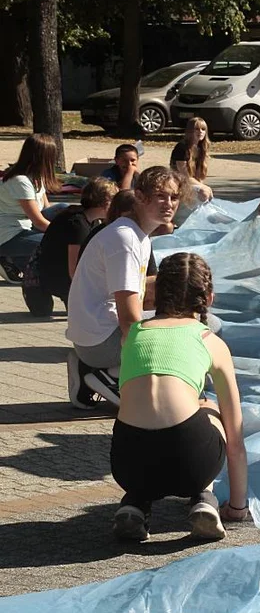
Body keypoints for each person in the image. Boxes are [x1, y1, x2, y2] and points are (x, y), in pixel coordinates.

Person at [110, 252, 249, 542]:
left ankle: (135, 504)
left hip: (128, 463)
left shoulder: (132, 335)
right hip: (190, 464)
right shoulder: (210, 342)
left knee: (140, 415)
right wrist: (237, 506)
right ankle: (204, 499)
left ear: (155, 294)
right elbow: (235, 439)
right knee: (207, 405)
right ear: (208, 298)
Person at [66, 167, 181, 408]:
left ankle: (98, 368)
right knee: (201, 327)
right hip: (100, 342)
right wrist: (143, 377)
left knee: (186, 306)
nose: (168, 203)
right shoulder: (125, 238)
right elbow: (129, 319)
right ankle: (110, 376)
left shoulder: (138, 235)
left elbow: (144, 292)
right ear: (139, 196)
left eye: (174, 197)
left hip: (94, 336)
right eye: (160, 195)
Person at [36, 177, 117, 304]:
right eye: (114, 203)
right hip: (54, 276)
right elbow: (73, 267)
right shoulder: (77, 224)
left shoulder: (91, 220)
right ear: (106, 203)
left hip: (60, 272)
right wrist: (85, 293)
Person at [0, 134, 66, 280]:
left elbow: (46, 210)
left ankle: (18, 260)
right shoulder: (20, 181)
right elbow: (39, 222)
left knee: (64, 208)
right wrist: (66, 234)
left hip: (26, 227)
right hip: (8, 235)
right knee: (55, 242)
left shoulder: (37, 177)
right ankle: (10, 258)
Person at [171, 117, 211, 182]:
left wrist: (201, 185)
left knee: (206, 190)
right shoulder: (181, 147)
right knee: (204, 191)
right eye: (197, 129)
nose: (200, 131)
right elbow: (184, 175)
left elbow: (199, 177)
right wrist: (202, 187)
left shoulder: (201, 148)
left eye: (203, 129)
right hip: (180, 182)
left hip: (192, 182)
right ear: (190, 131)